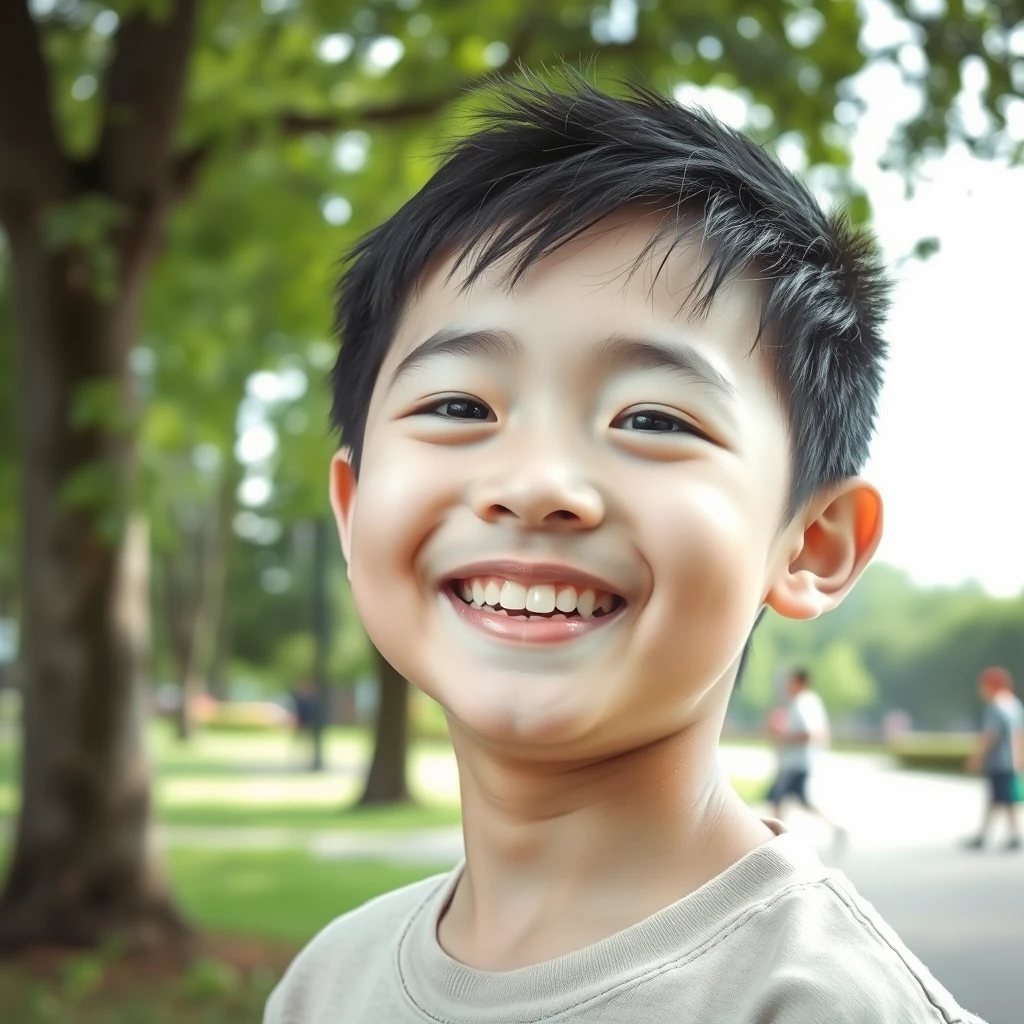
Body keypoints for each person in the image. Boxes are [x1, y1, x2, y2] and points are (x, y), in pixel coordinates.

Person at [265, 76, 983, 1023]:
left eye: (650, 417)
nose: (535, 483)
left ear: (812, 543)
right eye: (458, 406)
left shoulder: (820, 1006)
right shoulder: (327, 984)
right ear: (354, 514)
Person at [767, 668, 846, 848]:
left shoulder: (802, 703)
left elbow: (809, 733)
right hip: (801, 761)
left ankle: (778, 841)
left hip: (795, 763)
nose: (787, 686)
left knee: (777, 798)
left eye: (790, 682)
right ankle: (835, 828)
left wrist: (783, 736)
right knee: (800, 800)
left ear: (800, 682)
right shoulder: (812, 702)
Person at [965, 666, 1023, 852]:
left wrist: (977, 758)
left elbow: (990, 736)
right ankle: (995, 835)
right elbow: (1019, 735)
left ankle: (990, 836)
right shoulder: (1014, 704)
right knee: (1004, 799)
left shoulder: (996, 706)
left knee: (1001, 799)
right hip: (1011, 761)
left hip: (999, 762)